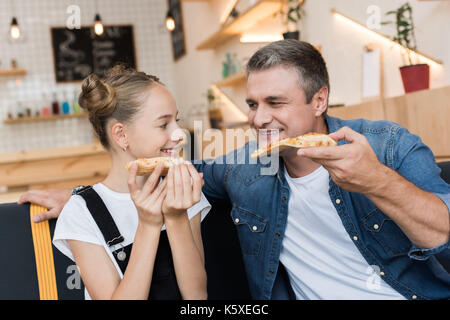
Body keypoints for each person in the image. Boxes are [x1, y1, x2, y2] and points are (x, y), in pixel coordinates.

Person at [20, 40, 449, 300]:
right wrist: (80, 196)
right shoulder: (249, 166)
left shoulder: (387, 146)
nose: (259, 120)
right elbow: (182, 170)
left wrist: (378, 182)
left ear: (319, 101)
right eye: (252, 104)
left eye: (275, 103)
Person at [49, 66, 210, 300]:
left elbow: (197, 297)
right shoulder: (80, 213)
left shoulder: (182, 189)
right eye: (163, 124)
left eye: (177, 120)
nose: (179, 134)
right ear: (121, 135)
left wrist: (176, 218)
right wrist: (148, 225)